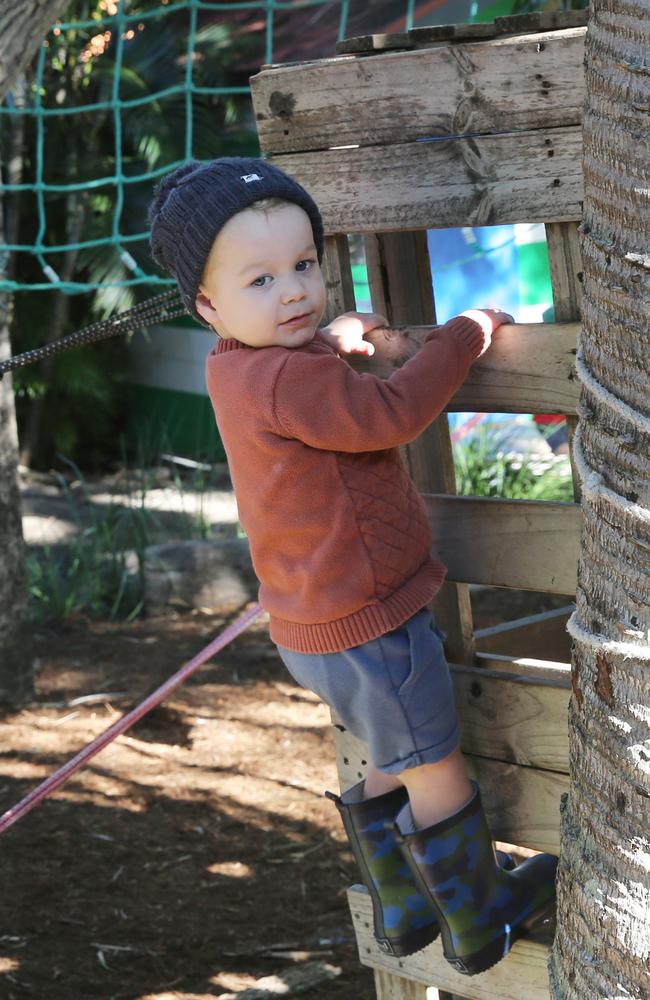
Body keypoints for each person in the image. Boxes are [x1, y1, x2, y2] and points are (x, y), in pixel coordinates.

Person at [148, 156, 557, 976]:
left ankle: (404, 906)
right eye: (260, 280)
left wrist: (332, 344)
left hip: (312, 626)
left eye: (305, 265)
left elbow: (299, 386)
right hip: (370, 622)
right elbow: (394, 412)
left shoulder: (237, 367)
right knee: (432, 763)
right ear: (205, 303)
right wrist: (463, 337)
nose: (294, 291)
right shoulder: (287, 382)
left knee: (388, 755)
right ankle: (481, 916)